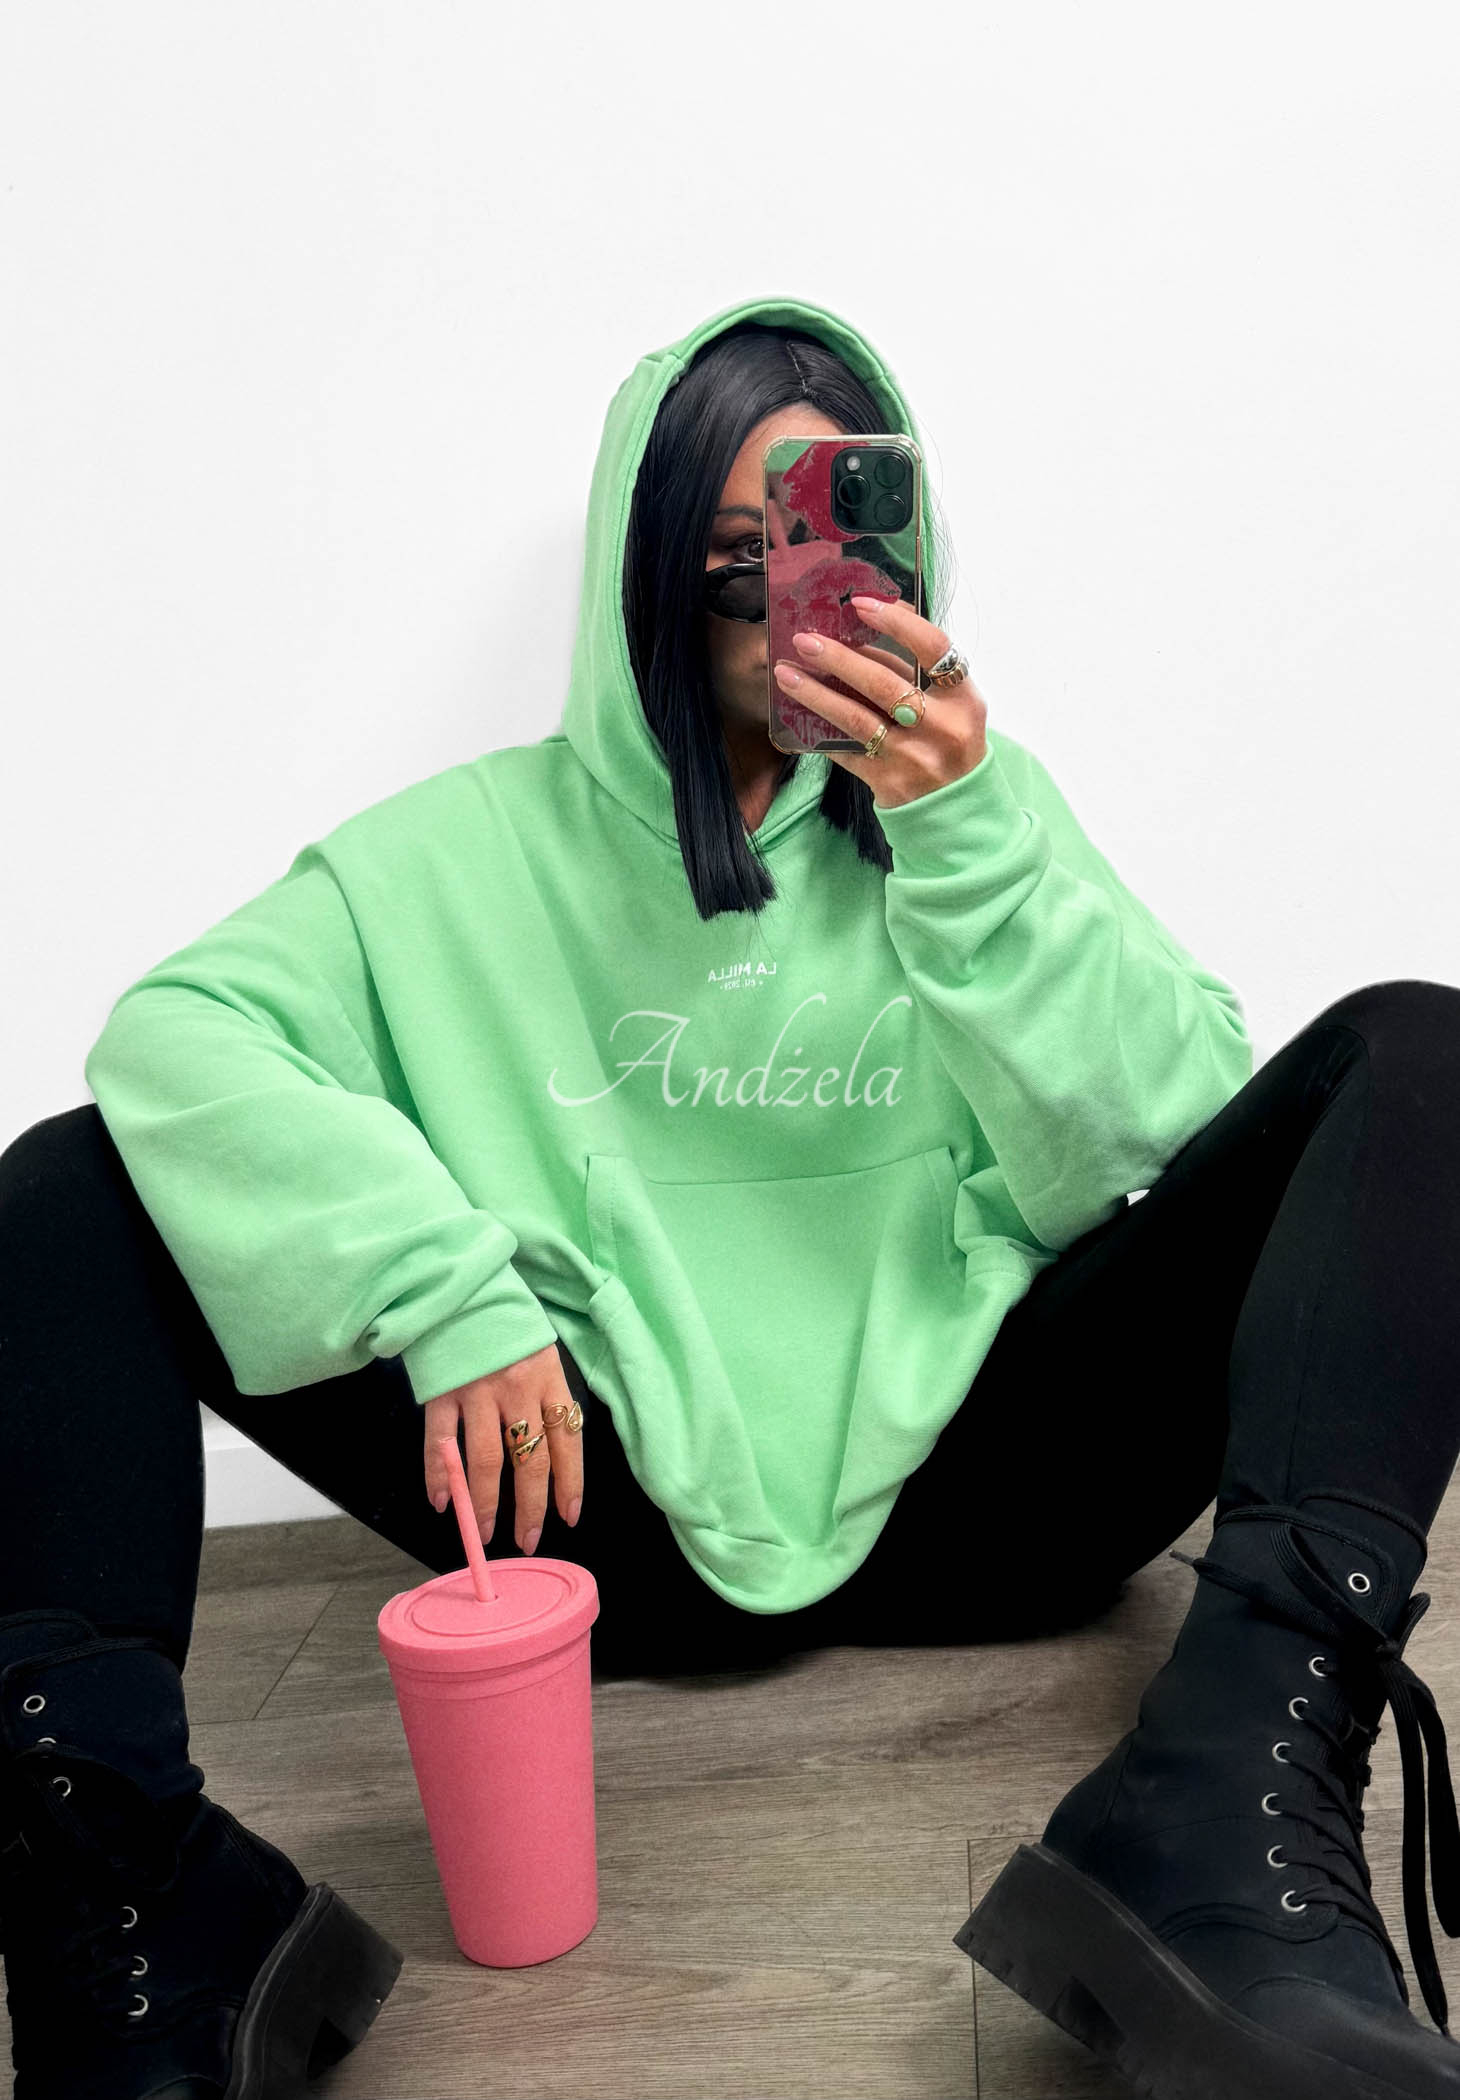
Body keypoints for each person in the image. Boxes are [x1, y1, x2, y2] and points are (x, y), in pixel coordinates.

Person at [1, 294, 1457, 2100]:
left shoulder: (978, 806)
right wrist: (446, 1289)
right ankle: (128, 1876)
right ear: (643, 589)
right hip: (588, 1520)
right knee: (74, 1176)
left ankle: (1227, 1799)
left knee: (1420, 1053)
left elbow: (1172, 1129)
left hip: (996, 1495)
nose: (793, 613)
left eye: (834, 548)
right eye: (732, 568)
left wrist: (965, 834)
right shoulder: (462, 849)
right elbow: (175, 1036)